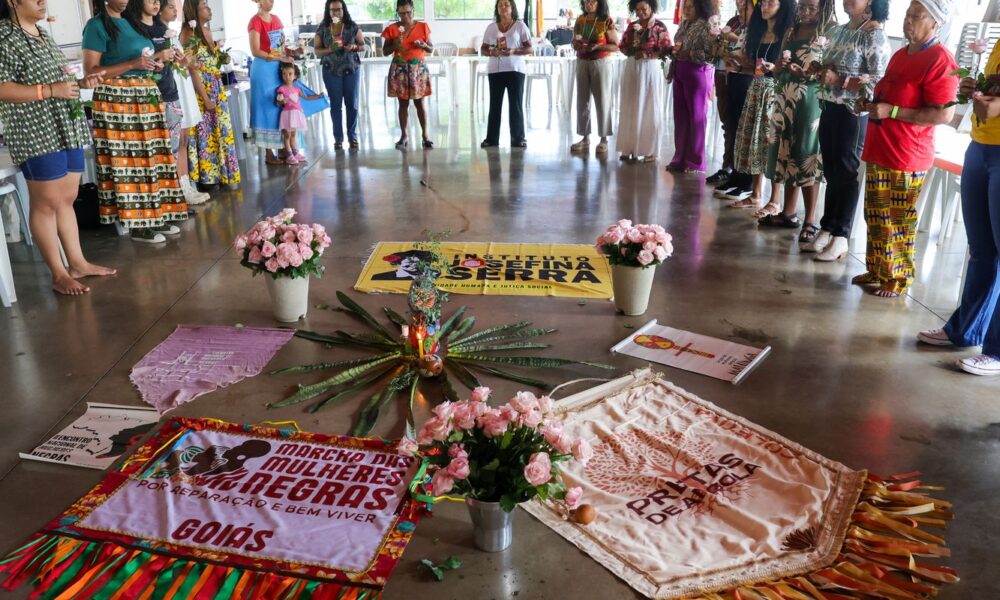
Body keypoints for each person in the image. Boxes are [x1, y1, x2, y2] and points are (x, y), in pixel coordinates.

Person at [0, 0, 115, 295]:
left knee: (67, 198)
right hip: (35, 130)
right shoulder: (4, 37)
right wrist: (50, 91)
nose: (42, 2)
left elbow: (58, 82)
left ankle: (77, 263)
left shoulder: (42, 33)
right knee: (47, 202)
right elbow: (3, 88)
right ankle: (58, 273)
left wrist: (79, 82)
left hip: (65, 124)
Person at [852, 0, 957, 297]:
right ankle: (877, 269)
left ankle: (897, 278)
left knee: (896, 220)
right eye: (907, 15)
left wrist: (893, 112)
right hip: (880, 145)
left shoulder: (940, 59)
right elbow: (889, 95)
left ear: (935, 23)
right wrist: (872, 105)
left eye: (916, 16)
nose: (908, 21)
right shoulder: (900, 55)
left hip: (906, 154)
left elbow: (943, 114)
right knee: (875, 214)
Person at [919, 38, 1000, 375]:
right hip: (981, 146)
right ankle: (965, 329)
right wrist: (974, 90)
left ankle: (996, 352)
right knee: (981, 250)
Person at [83, 0, 186, 244]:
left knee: (152, 158)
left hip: (144, 96)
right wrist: (132, 65)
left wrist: (156, 64)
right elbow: (90, 71)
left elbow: (144, 60)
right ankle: (138, 223)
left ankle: (155, 215)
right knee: (130, 161)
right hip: (118, 101)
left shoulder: (132, 23)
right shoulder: (96, 26)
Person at [801, 0, 891, 260]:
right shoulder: (838, 30)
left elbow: (877, 84)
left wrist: (839, 80)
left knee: (846, 172)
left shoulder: (874, 35)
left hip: (853, 112)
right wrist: (819, 70)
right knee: (830, 169)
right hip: (829, 106)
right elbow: (828, 66)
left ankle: (841, 235)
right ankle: (827, 228)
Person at [757, 0, 834, 241]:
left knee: (807, 154)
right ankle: (788, 213)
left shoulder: (830, 31)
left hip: (810, 100)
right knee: (786, 151)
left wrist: (810, 73)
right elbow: (779, 65)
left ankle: (810, 219)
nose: (806, 12)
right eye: (803, 7)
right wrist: (778, 66)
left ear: (824, 7)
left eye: (812, 7)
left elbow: (831, 72)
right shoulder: (792, 29)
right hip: (785, 95)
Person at [127, 0, 208, 205]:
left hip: (171, 91)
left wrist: (181, 60)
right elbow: (140, 64)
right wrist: (159, 56)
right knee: (161, 149)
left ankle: (181, 189)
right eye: (152, 1)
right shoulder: (135, 29)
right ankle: (169, 196)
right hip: (154, 94)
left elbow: (170, 65)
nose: (155, 4)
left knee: (178, 143)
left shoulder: (162, 29)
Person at [728, 0, 795, 208]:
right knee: (755, 141)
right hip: (756, 89)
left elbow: (786, 68)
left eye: (770, 3)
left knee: (772, 142)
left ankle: (774, 199)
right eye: (763, 3)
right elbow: (754, 67)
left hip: (776, 92)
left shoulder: (787, 33)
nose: (764, 7)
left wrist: (774, 67)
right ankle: (756, 193)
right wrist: (739, 64)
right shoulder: (757, 31)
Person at [182, 0, 240, 189]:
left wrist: (222, 57)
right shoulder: (188, 34)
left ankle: (222, 174)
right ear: (194, 11)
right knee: (205, 133)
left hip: (216, 87)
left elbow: (210, 63)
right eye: (204, 5)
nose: (209, 8)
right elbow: (192, 70)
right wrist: (205, 98)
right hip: (202, 90)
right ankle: (208, 177)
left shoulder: (207, 31)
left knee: (220, 131)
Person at [615, 0, 670, 163]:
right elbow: (622, 46)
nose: (640, 12)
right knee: (630, 105)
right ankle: (629, 147)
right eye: (637, 9)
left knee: (649, 108)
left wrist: (646, 55)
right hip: (633, 67)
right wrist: (631, 49)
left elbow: (666, 49)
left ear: (651, 8)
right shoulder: (632, 26)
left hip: (650, 69)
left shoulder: (659, 26)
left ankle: (650, 150)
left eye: (643, 9)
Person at [666, 0, 717, 172]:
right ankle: (679, 158)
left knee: (696, 118)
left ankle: (696, 162)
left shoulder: (707, 25)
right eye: (684, 6)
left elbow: (712, 54)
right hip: (679, 71)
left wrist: (690, 53)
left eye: (690, 6)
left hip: (697, 74)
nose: (686, 9)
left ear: (700, 7)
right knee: (680, 118)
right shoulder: (684, 23)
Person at [706, 0, 751, 186]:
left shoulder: (756, 25)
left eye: (744, 2)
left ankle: (739, 173)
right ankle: (727, 167)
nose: (740, 4)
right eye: (738, 1)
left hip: (744, 80)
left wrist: (732, 39)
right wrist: (717, 46)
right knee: (728, 124)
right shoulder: (732, 21)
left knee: (742, 127)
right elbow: (717, 52)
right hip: (724, 76)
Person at [381, 0, 434, 150]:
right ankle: (404, 135)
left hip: (418, 69)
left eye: (408, 12)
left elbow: (431, 48)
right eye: (402, 13)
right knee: (403, 104)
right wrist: (394, 44)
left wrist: (424, 45)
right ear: (397, 12)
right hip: (400, 69)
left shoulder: (423, 27)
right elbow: (385, 52)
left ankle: (425, 136)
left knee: (420, 103)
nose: (405, 16)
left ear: (413, 10)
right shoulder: (392, 29)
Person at [480, 0, 532, 149]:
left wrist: (513, 51)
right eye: (500, 5)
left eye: (506, 4)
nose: (503, 7)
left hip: (516, 70)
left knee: (515, 105)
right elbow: (483, 49)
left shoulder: (520, 26)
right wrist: (491, 51)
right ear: (497, 9)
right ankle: (491, 139)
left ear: (512, 8)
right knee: (494, 105)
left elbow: (529, 48)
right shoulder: (491, 28)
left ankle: (518, 139)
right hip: (495, 71)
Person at [570, 0, 618, 156]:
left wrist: (599, 47)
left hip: (600, 62)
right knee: (582, 101)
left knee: (602, 100)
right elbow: (573, 41)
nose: (588, 3)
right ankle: (585, 138)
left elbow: (615, 45)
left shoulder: (606, 20)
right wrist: (575, 45)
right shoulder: (580, 19)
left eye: (592, 1)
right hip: (582, 61)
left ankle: (604, 139)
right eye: (586, 0)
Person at [314, 0, 363, 150]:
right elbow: (317, 51)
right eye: (333, 10)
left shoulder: (352, 27)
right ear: (328, 12)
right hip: (331, 71)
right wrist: (329, 49)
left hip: (351, 70)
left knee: (352, 105)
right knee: (335, 106)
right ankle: (338, 139)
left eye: (339, 10)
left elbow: (363, 45)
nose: (336, 13)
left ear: (344, 10)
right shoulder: (322, 29)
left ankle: (352, 137)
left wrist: (354, 47)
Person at [276, 62, 323, 165]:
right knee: (287, 135)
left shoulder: (296, 89)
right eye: (284, 74)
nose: (287, 76)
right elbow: (277, 102)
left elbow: (306, 97)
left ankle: (295, 153)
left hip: (296, 114)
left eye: (290, 74)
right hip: (287, 114)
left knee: (293, 134)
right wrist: (281, 101)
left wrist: (318, 96)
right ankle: (289, 155)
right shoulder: (281, 89)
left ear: (295, 76)